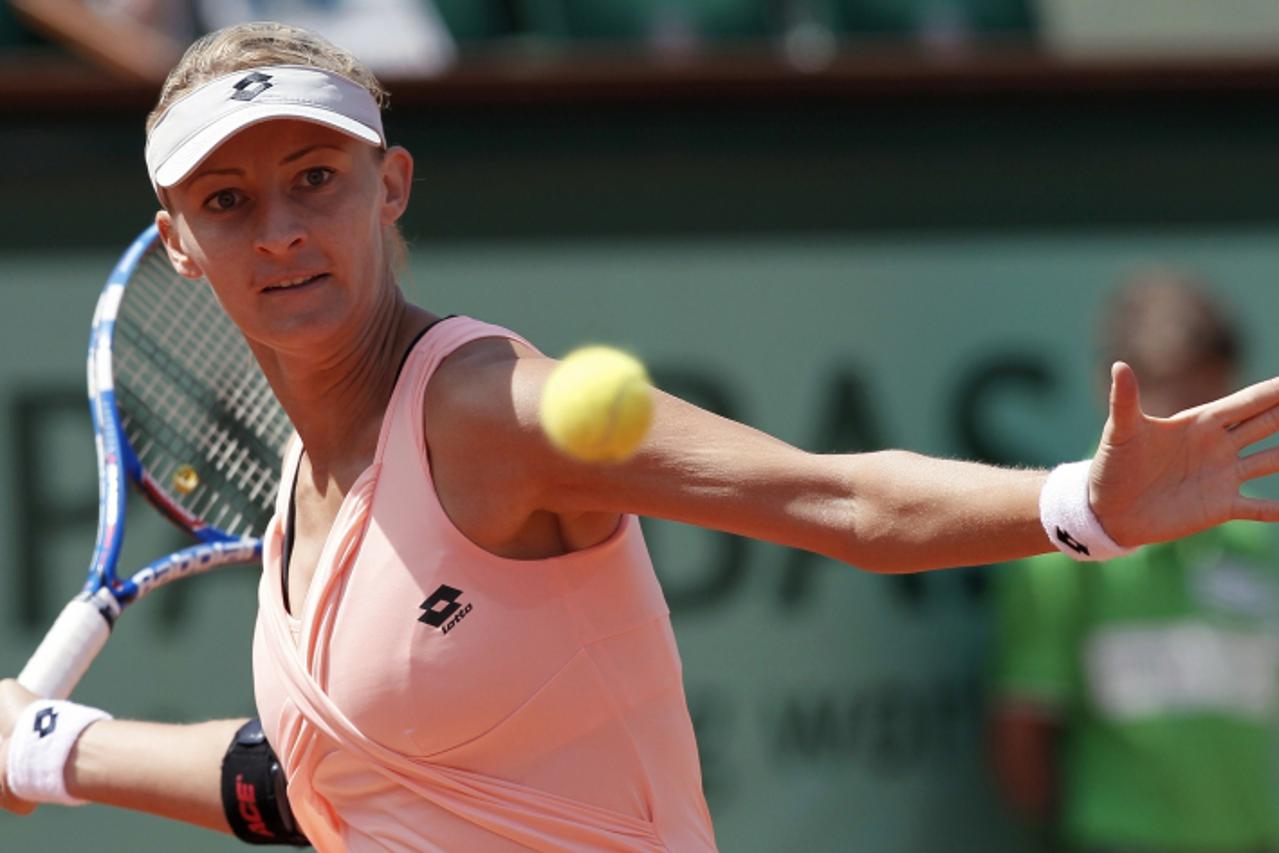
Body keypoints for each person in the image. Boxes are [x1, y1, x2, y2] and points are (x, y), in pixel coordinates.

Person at [6, 21, 1279, 851]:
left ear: (389, 189)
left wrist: (1076, 504)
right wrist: (53, 748)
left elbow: (831, 499)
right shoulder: (301, 487)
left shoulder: (488, 408)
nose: (279, 226)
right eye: (229, 201)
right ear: (179, 245)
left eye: (316, 179)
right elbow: (316, 784)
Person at [989, 276, 1279, 853]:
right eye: (1170, 400)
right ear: (1113, 395)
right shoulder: (1061, 553)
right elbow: (1023, 733)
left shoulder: (1264, 541)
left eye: (1209, 396)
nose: (1191, 424)